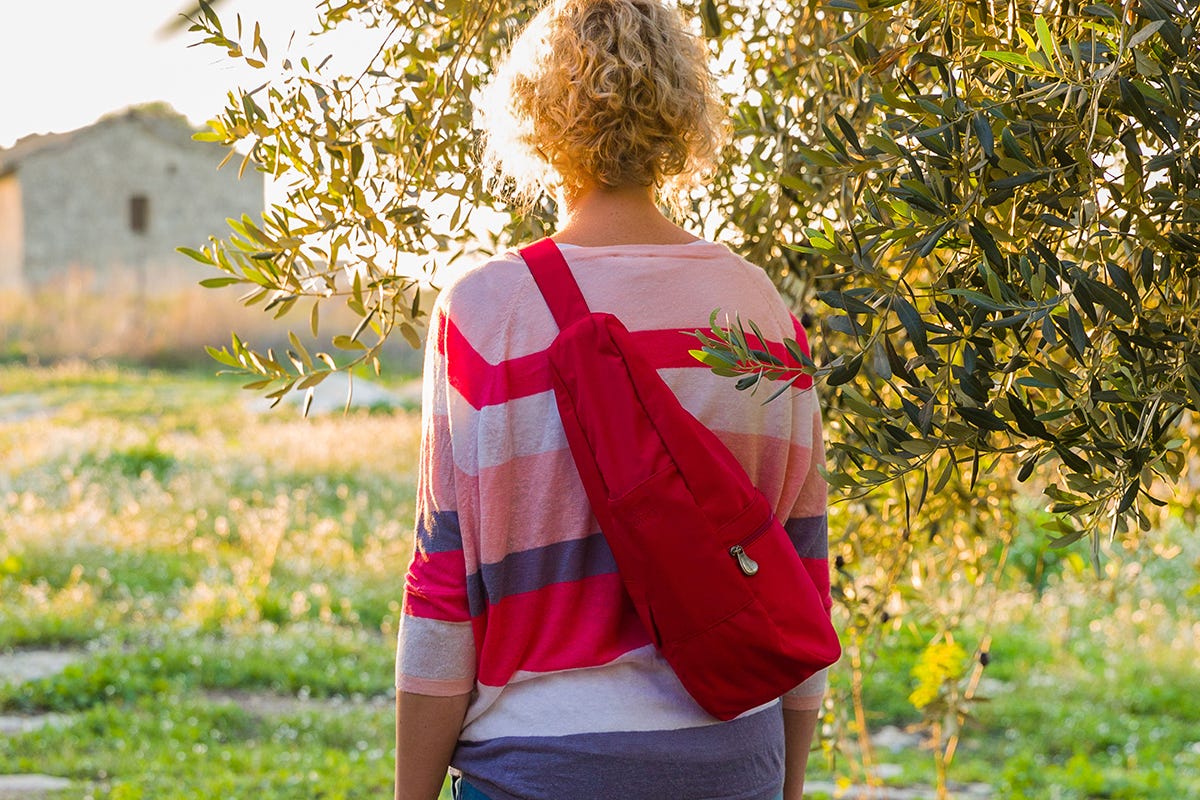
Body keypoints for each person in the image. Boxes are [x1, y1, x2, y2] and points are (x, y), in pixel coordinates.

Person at [394, 1, 834, 798]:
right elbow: (799, 570)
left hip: (542, 764)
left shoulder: (485, 310)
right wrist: (783, 780)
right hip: (734, 756)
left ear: (533, 115)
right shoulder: (759, 310)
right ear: (683, 108)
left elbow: (440, 584)